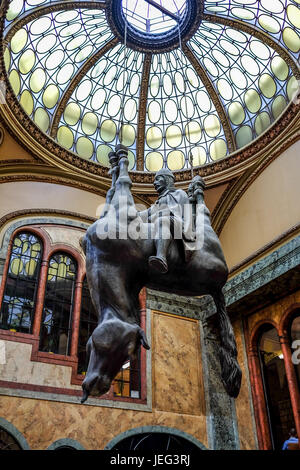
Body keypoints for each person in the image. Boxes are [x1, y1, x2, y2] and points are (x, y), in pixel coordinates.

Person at [139, 168, 196, 273]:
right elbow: (146, 214)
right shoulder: (159, 200)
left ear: (167, 179)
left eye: (158, 179)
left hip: (180, 225)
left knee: (162, 220)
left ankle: (161, 257)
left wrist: (162, 213)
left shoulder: (180, 194)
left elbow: (186, 215)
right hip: (164, 220)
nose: (154, 183)